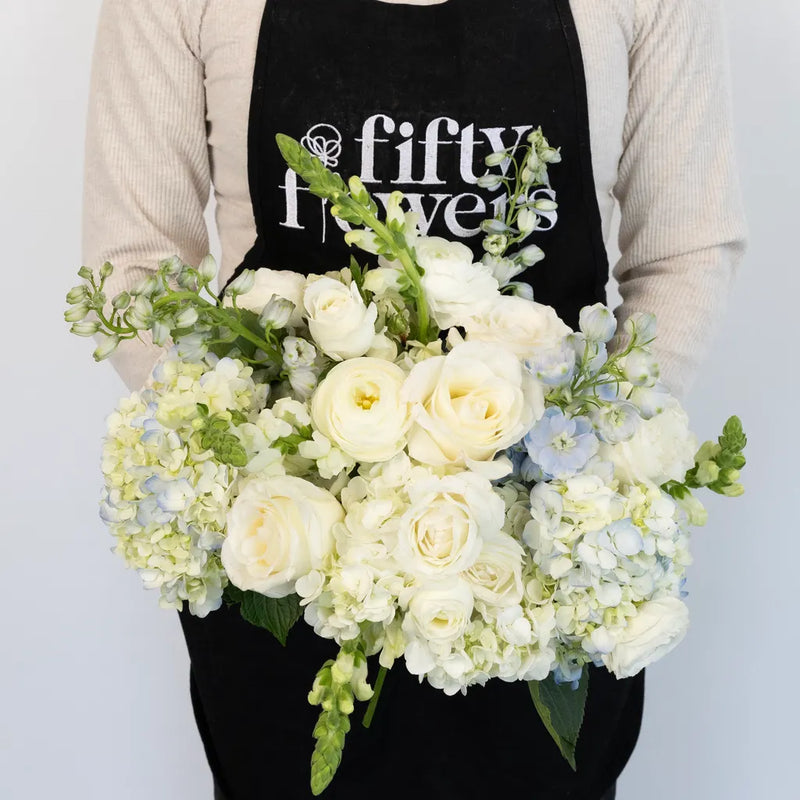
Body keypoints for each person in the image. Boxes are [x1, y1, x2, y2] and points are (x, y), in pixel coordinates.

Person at [82, 1, 746, 798]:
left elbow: (686, 251)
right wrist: (294, 479)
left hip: (538, 583)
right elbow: (135, 267)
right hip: (296, 579)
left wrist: (583, 466)